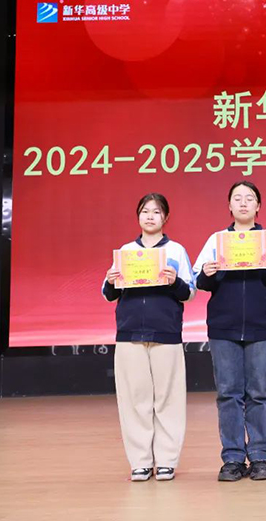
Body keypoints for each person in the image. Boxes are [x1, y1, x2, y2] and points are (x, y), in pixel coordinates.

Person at [192, 181, 266, 482]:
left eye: (249, 198)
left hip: (262, 326)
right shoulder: (216, 240)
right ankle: (233, 458)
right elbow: (199, 281)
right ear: (229, 205)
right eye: (237, 198)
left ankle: (261, 457)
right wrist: (208, 273)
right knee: (228, 394)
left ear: (258, 206)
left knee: (260, 393)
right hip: (223, 327)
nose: (243, 203)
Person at [102, 193, 196, 482]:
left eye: (156, 212)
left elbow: (190, 292)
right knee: (135, 399)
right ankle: (140, 461)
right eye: (145, 211)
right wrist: (111, 280)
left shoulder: (176, 251)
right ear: (138, 216)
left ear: (165, 217)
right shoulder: (126, 251)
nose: (150, 216)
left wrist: (174, 281)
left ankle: (166, 460)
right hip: (129, 334)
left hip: (166, 332)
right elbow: (108, 294)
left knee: (168, 398)